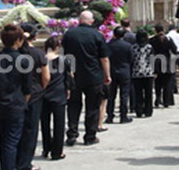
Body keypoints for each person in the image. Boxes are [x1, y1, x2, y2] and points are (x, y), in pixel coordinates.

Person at [0, 25, 31, 170]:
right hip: (16, 103)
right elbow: (27, 87)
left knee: (3, 140)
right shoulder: (23, 59)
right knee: (11, 141)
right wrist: (24, 101)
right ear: (19, 40)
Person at [62, 10, 111, 146]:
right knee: (93, 107)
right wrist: (107, 75)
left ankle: (72, 134)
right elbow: (104, 58)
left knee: (73, 106)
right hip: (93, 75)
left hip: (74, 75)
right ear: (92, 21)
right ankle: (90, 136)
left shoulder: (69, 34)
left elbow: (64, 55)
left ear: (79, 20)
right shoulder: (97, 35)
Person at [15, 24, 50, 170]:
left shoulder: (15, 53)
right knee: (31, 129)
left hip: (16, 94)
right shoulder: (38, 54)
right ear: (35, 37)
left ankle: (15, 159)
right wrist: (41, 88)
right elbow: (46, 77)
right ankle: (25, 162)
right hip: (35, 94)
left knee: (16, 129)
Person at [41, 35, 73, 160]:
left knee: (45, 123)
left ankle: (46, 148)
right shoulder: (64, 60)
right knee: (59, 124)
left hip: (44, 93)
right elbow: (69, 77)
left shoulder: (41, 59)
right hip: (59, 93)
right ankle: (57, 151)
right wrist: (69, 90)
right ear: (57, 47)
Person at [107, 26, 133, 124]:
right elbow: (131, 59)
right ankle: (123, 116)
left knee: (111, 95)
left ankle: (110, 115)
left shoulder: (109, 45)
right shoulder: (127, 45)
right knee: (124, 95)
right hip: (124, 71)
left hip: (112, 71)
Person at [150, 24, 178, 108]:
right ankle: (167, 101)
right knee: (167, 83)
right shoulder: (168, 39)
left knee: (158, 83)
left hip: (156, 62)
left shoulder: (152, 40)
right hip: (166, 62)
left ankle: (158, 99)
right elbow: (174, 49)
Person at [130, 30, 155, 117]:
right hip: (148, 72)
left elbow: (131, 60)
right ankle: (148, 111)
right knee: (148, 93)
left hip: (136, 72)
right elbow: (152, 60)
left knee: (138, 93)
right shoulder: (149, 47)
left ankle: (139, 110)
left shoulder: (133, 47)